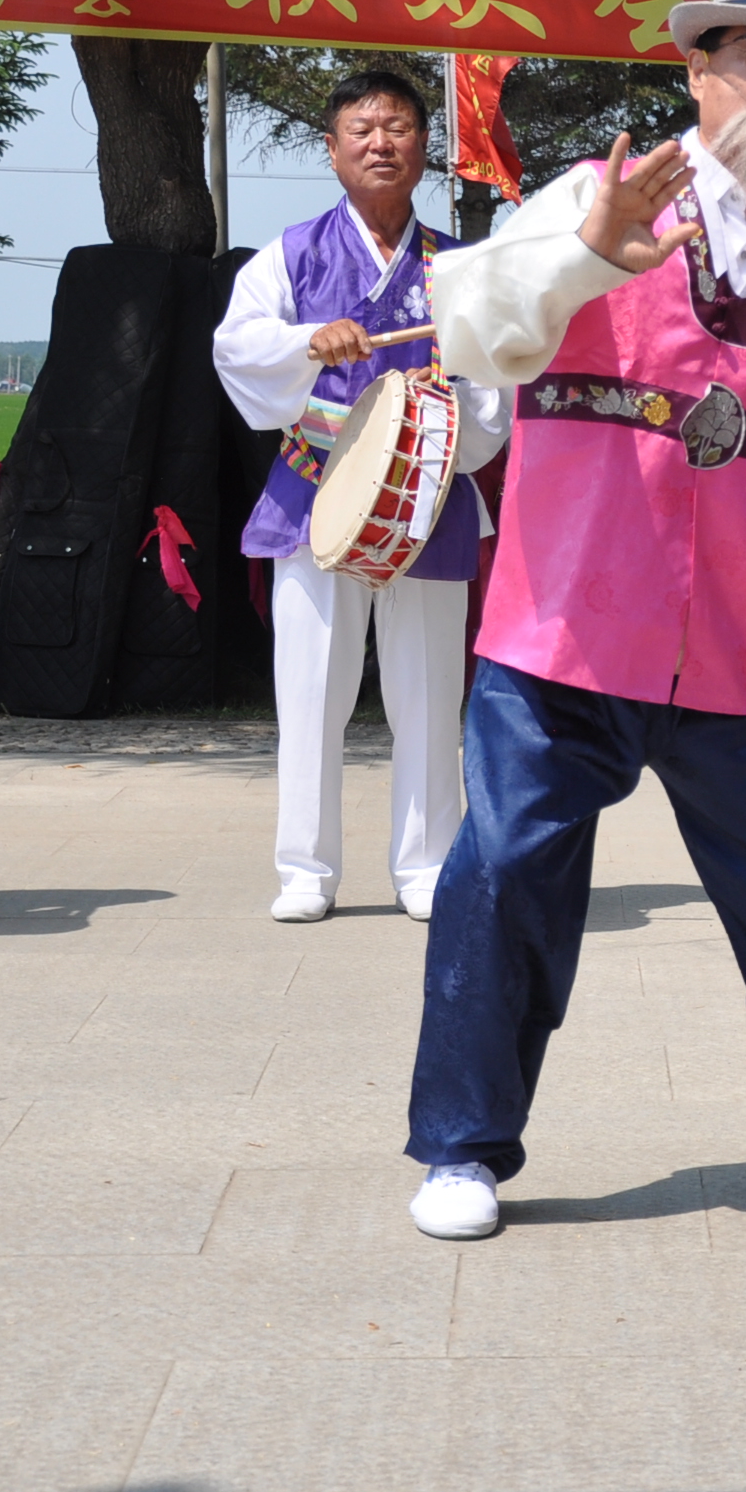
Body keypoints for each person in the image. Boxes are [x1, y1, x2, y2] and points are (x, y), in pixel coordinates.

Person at [403, 0, 746, 1241]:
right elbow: (472, 326)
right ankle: (462, 1146)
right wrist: (583, 255)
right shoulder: (597, 195)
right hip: (567, 627)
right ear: (700, 73)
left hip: (742, 643)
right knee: (506, 869)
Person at [213, 70, 510, 923]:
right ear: (334, 147)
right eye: (362, 128)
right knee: (310, 695)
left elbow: (496, 390)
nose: (381, 142)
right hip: (316, 493)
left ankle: (426, 868)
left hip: (427, 495)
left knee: (426, 694)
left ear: (425, 145)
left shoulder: (459, 265)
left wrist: (448, 404)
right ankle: (305, 872)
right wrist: (311, 340)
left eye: (399, 127)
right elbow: (237, 347)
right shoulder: (294, 253)